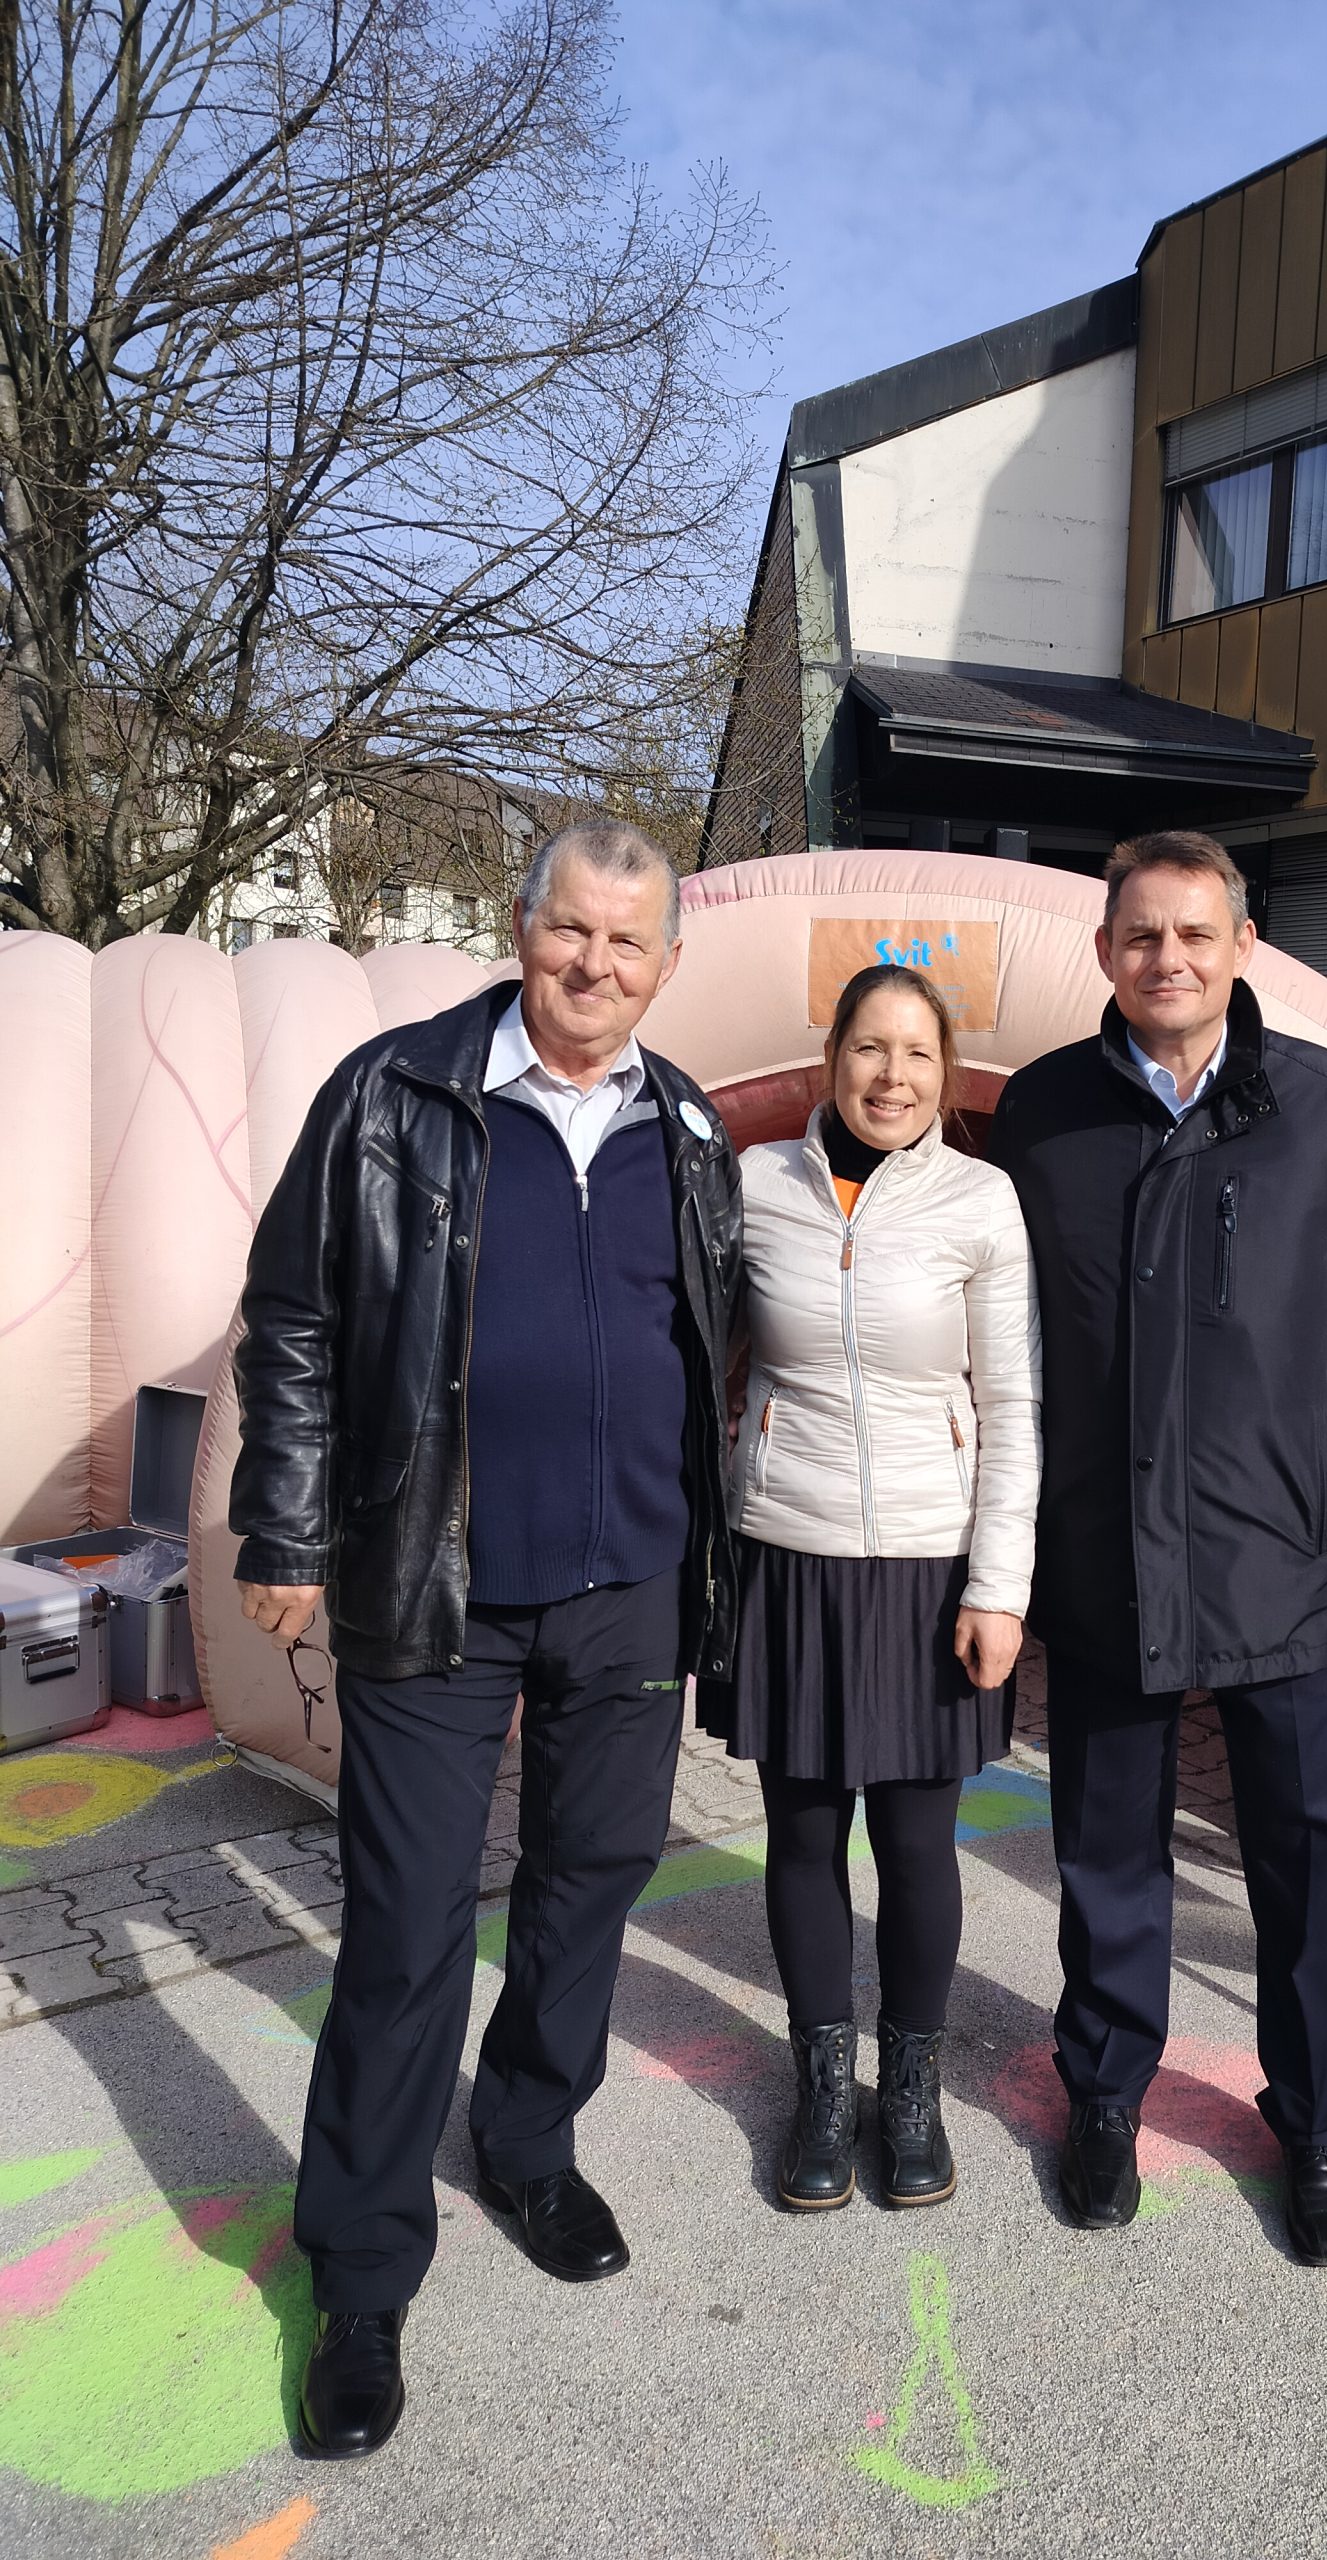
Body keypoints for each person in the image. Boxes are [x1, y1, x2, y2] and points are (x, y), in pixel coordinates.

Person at [230, 821, 740, 2457]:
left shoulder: (690, 1128)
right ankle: (364, 2276)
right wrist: (287, 1525)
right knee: (404, 1933)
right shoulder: (396, 1096)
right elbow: (296, 1315)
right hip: (431, 1585)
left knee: (591, 1886)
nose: (595, 967)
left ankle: (527, 2139)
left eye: (628, 946)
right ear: (526, 929)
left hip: (633, 1589)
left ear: (667, 966)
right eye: (571, 933)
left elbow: (719, 1344)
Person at [992, 830, 1327, 2262]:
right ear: (1105, 950)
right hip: (1106, 1560)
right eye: (1141, 937)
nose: (1167, 960)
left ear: (1243, 946)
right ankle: (1106, 2098)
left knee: (1302, 1867)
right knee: (1106, 1855)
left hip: (1287, 1563)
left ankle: (1316, 2128)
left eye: (1195, 935)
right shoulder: (1047, 1111)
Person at [699, 964, 1041, 2212]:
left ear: (943, 1073)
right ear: (830, 1055)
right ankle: (818, 2089)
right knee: (800, 1833)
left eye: (916, 1053)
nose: (891, 1076)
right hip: (786, 1549)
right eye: (868, 1049)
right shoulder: (752, 1188)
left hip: (926, 1563)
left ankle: (909, 2098)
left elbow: (1014, 1407)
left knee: (913, 1840)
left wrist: (998, 1585)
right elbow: (700, 1363)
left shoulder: (981, 1202)